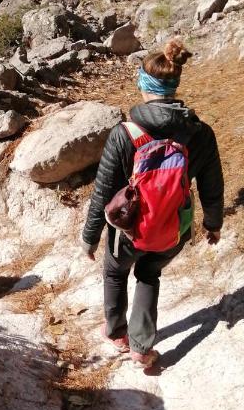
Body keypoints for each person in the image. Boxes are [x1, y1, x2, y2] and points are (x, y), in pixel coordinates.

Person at [81, 39, 224, 370]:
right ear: (174, 86)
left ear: (143, 85)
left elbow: (103, 191)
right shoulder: (201, 133)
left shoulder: (126, 133)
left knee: (115, 271)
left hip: (128, 228)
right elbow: (212, 187)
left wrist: (90, 236)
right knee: (149, 274)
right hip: (174, 226)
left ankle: (117, 334)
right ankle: (142, 347)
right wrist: (212, 224)